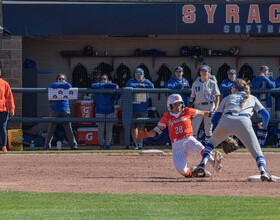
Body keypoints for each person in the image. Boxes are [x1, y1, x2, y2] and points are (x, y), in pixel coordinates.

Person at [192, 79, 276, 182]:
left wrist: (221, 134)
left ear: (235, 88)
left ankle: (202, 164)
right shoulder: (252, 98)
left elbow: (214, 119)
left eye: (232, 87)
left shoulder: (227, 97)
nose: (231, 88)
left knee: (210, 144)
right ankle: (263, 171)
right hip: (244, 121)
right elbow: (266, 115)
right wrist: (264, 125)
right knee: (257, 152)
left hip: (226, 120)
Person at [138, 94, 223, 178]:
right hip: (176, 144)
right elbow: (157, 131)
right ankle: (196, 172)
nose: (178, 106)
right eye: (175, 104)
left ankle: (214, 163)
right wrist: (148, 134)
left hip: (188, 139)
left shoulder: (187, 111)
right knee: (182, 170)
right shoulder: (167, 116)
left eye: (179, 104)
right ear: (169, 106)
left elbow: (204, 113)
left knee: (201, 148)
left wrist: (219, 115)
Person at [43, 74, 78, 150]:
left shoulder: (66, 85)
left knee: (68, 129)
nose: (61, 80)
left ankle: (74, 146)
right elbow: (53, 84)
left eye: (63, 79)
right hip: (54, 110)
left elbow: (69, 85)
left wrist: (62, 84)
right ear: (57, 80)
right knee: (51, 129)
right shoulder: (54, 85)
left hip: (65, 110)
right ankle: (46, 146)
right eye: (59, 79)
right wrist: (62, 85)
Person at [189, 65, 221, 145]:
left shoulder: (212, 83)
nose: (203, 73)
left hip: (209, 106)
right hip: (198, 106)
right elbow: (192, 96)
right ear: (199, 73)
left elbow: (217, 96)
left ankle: (208, 144)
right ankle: (193, 144)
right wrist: (189, 107)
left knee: (208, 127)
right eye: (202, 71)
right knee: (195, 126)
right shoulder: (195, 83)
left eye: (205, 71)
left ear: (209, 73)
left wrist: (216, 107)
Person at [126, 68, 154, 150]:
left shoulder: (146, 81)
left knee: (141, 127)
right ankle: (136, 144)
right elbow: (128, 85)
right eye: (137, 74)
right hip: (133, 108)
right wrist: (139, 86)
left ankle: (140, 144)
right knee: (134, 127)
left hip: (143, 108)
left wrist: (143, 85)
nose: (138, 76)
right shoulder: (131, 81)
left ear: (143, 75)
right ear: (134, 75)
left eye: (140, 74)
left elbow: (152, 87)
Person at [91, 74, 120, 150]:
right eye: (102, 79)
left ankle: (107, 145)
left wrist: (116, 89)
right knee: (100, 129)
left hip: (110, 111)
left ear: (107, 80)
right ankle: (101, 145)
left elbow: (117, 97)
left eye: (105, 79)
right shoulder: (97, 86)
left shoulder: (111, 88)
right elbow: (92, 85)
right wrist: (108, 84)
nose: (103, 80)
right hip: (100, 111)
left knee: (109, 129)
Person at [0, 68, 15, 153]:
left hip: (3, 110)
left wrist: (12, 108)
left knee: (2, 127)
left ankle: (4, 146)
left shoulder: (5, 84)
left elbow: (10, 97)